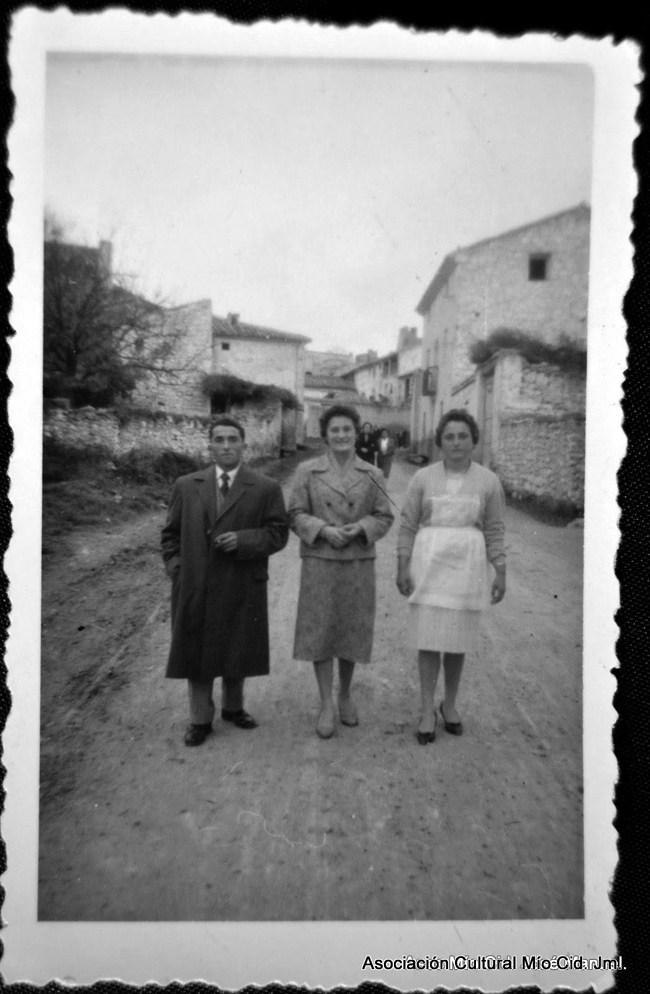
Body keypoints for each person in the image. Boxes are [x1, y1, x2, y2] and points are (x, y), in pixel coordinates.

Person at [161, 416, 289, 746]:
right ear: (210, 446)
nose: (227, 445)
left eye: (233, 439)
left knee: (238, 645)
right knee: (197, 650)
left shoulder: (265, 488)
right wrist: (178, 570)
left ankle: (234, 708)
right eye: (220, 439)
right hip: (196, 584)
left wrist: (244, 541)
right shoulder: (187, 485)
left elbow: (278, 534)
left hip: (242, 579)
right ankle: (200, 718)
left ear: (244, 446)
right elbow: (170, 535)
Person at [396, 409, 506, 744]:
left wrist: (500, 570)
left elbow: (495, 529)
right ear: (439, 441)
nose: (456, 443)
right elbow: (407, 525)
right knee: (429, 637)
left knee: (457, 640)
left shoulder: (488, 481)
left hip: (468, 567)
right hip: (428, 564)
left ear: (473, 440)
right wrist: (402, 566)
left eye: (462, 436)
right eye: (449, 436)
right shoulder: (423, 478)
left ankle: (451, 704)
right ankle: (427, 708)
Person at [289, 405, 394, 738]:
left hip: (357, 561)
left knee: (351, 629)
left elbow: (385, 516)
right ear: (326, 434)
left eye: (347, 429)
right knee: (320, 630)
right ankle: (325, 703)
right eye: (334, 430)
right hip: (320, 559)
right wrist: (322, 529)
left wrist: (361, 527)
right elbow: (294, 513)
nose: (341, 435)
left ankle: (345, 693)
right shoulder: (307, 471)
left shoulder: (373, 474)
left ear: (356, 432)